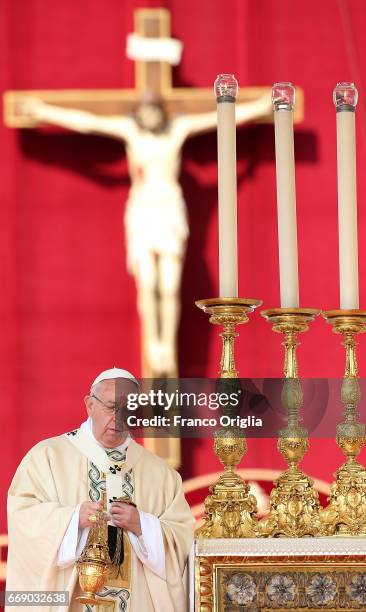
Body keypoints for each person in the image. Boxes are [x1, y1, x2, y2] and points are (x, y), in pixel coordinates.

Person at [19, 93, 272, 377]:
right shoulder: (131, 132)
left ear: (161, 111)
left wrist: (261, 106)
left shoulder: (177, 130)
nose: (150, 116)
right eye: (146, 110)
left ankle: (166, 344)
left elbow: (220, 119)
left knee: (169, 284)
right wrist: (44, 111)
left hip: (169, 210)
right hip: (142, 211)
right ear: (140, 112)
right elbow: (87, 123)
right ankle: (154, 344)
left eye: (155, 110)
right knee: (148, 281)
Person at [6, 367, 195, 611]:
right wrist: (73, 520)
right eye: (110, 406)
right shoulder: (48, 457)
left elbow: (182, 541)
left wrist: (143, 526)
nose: (118, 417)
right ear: (89, 405)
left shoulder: (161, 475)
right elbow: (23, 516)